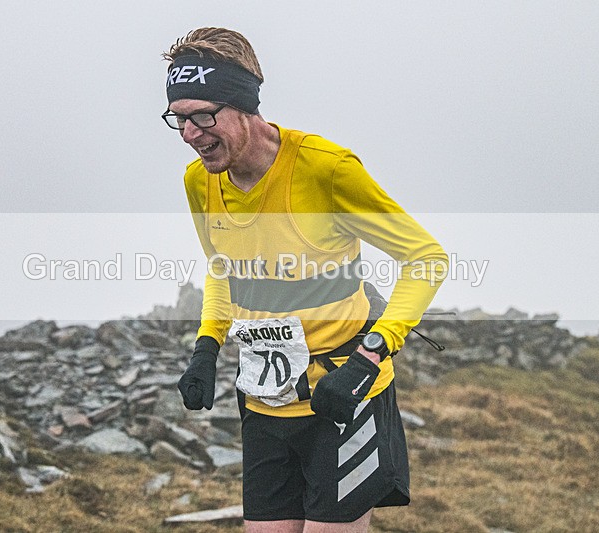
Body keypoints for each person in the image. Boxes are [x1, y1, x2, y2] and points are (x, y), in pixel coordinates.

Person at [163, 27, 448, 532]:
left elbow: (426, 258)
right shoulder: (198, 180)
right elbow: (222, 268)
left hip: (344, 395)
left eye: (203, 116)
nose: (190, 134)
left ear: (245, 106)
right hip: (265, 400)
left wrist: (370, 356)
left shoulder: (325, 170)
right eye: (178, 119)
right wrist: (206, 346)